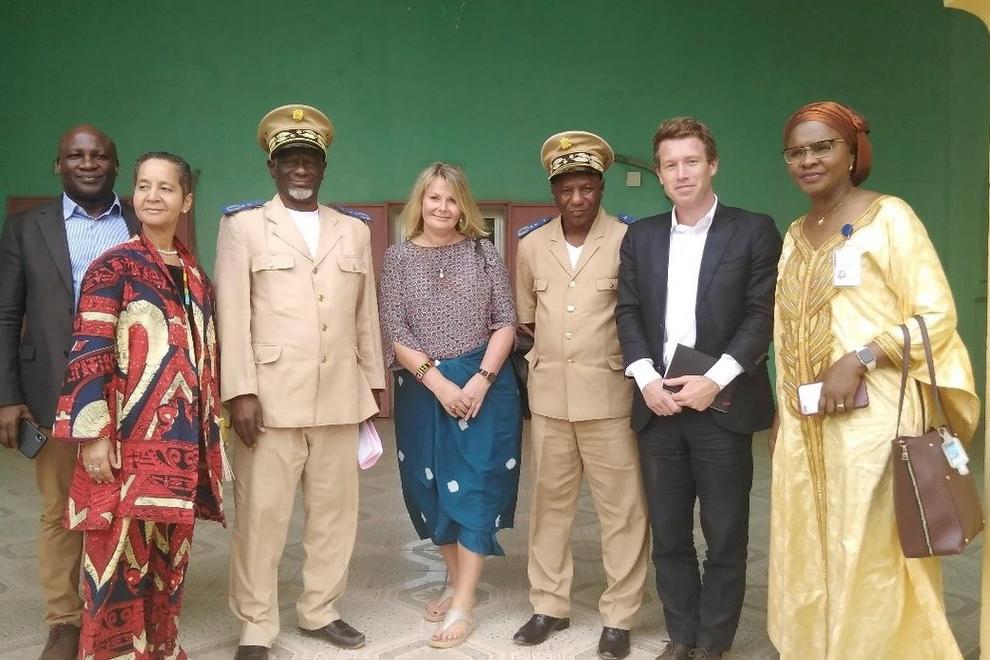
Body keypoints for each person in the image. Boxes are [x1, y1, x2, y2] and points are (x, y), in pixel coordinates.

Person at [768, 100, 979, 660]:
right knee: (809, 538)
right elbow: (785, 329)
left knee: (871, 547)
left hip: (874, 422)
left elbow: (936, 315)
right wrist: (782, 410)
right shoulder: (795, 232)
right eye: (796, 152)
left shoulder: (890, 218)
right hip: (807, 423)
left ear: (853, 151)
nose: (808, 160)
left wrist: (861, 356)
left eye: (823, 147)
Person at [215, 104, 385, 660]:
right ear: (272, 167)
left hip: (339, 395)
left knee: (335, 517)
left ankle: (320, 610)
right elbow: (232, 314)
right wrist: (239, 391)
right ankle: (256, 623)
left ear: (323, 166)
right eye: (289, 159)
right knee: (261, 520)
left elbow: (364, 314)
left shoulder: (353, 230)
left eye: (310, 159)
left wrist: (372, 384)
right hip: (269, 401)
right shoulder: (243, 227)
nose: (301, 168)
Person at [615, 117, 782, 660]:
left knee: (726, 533)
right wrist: (645, 379)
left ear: (712, 164)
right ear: (659, 173)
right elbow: (628, 311)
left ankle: (713, 642)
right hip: (659, 404)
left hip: (722, 405)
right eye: (671, 165)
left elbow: (761, 314)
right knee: (669, 535)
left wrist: (716, 379)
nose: (682, 173)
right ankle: (682, 634)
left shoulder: (753, 230)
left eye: (691, 161)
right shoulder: (640, 236)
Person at [51, 152, 227, 659]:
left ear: (186, 200)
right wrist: (93, 435)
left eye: (165, 188)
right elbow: (89, 351)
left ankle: (162, 649)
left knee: (169, 566)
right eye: (144, 186)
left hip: (180, 449)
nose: (153, 196)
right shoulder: (114, 265)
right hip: (124, 447)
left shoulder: (195, 274)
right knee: (115, 567)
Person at [0, 125, 138, 660]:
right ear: (58, 165)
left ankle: (121, 607)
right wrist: (7, 396)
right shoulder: (25, 228)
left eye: (99, 155)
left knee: (128, 505)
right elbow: (7, 314)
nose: (88, 163)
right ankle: (64, 620)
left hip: (131, 389)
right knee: (62, 508)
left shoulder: (139, 220)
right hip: (53, 390)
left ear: (115, 164)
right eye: (76, 156)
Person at [512, 131, 649, 660]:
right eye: (566, 189)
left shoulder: (629, 240)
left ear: (601, 188)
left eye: (586, 188)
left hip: (610, 396)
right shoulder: (531, 246)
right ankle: (549, 605)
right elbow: (528, 320)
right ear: (554, 191)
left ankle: (619, 615)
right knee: (549, 507)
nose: (576, 199)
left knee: (622, 511)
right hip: (550, 399)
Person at [378, 162, 521, 648]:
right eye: (433, 197)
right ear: (419, 202)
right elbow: (395, 330)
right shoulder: (398, 258)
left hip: (486, 387)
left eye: (452, 198)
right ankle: (458, 582)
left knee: (475, 486)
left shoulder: (483, 252)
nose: (442, 207)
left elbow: (505, 321)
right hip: (423, 389)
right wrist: (438, 384)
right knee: (429, 486)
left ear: (464, 206)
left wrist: (481, 379)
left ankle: (463, 602)